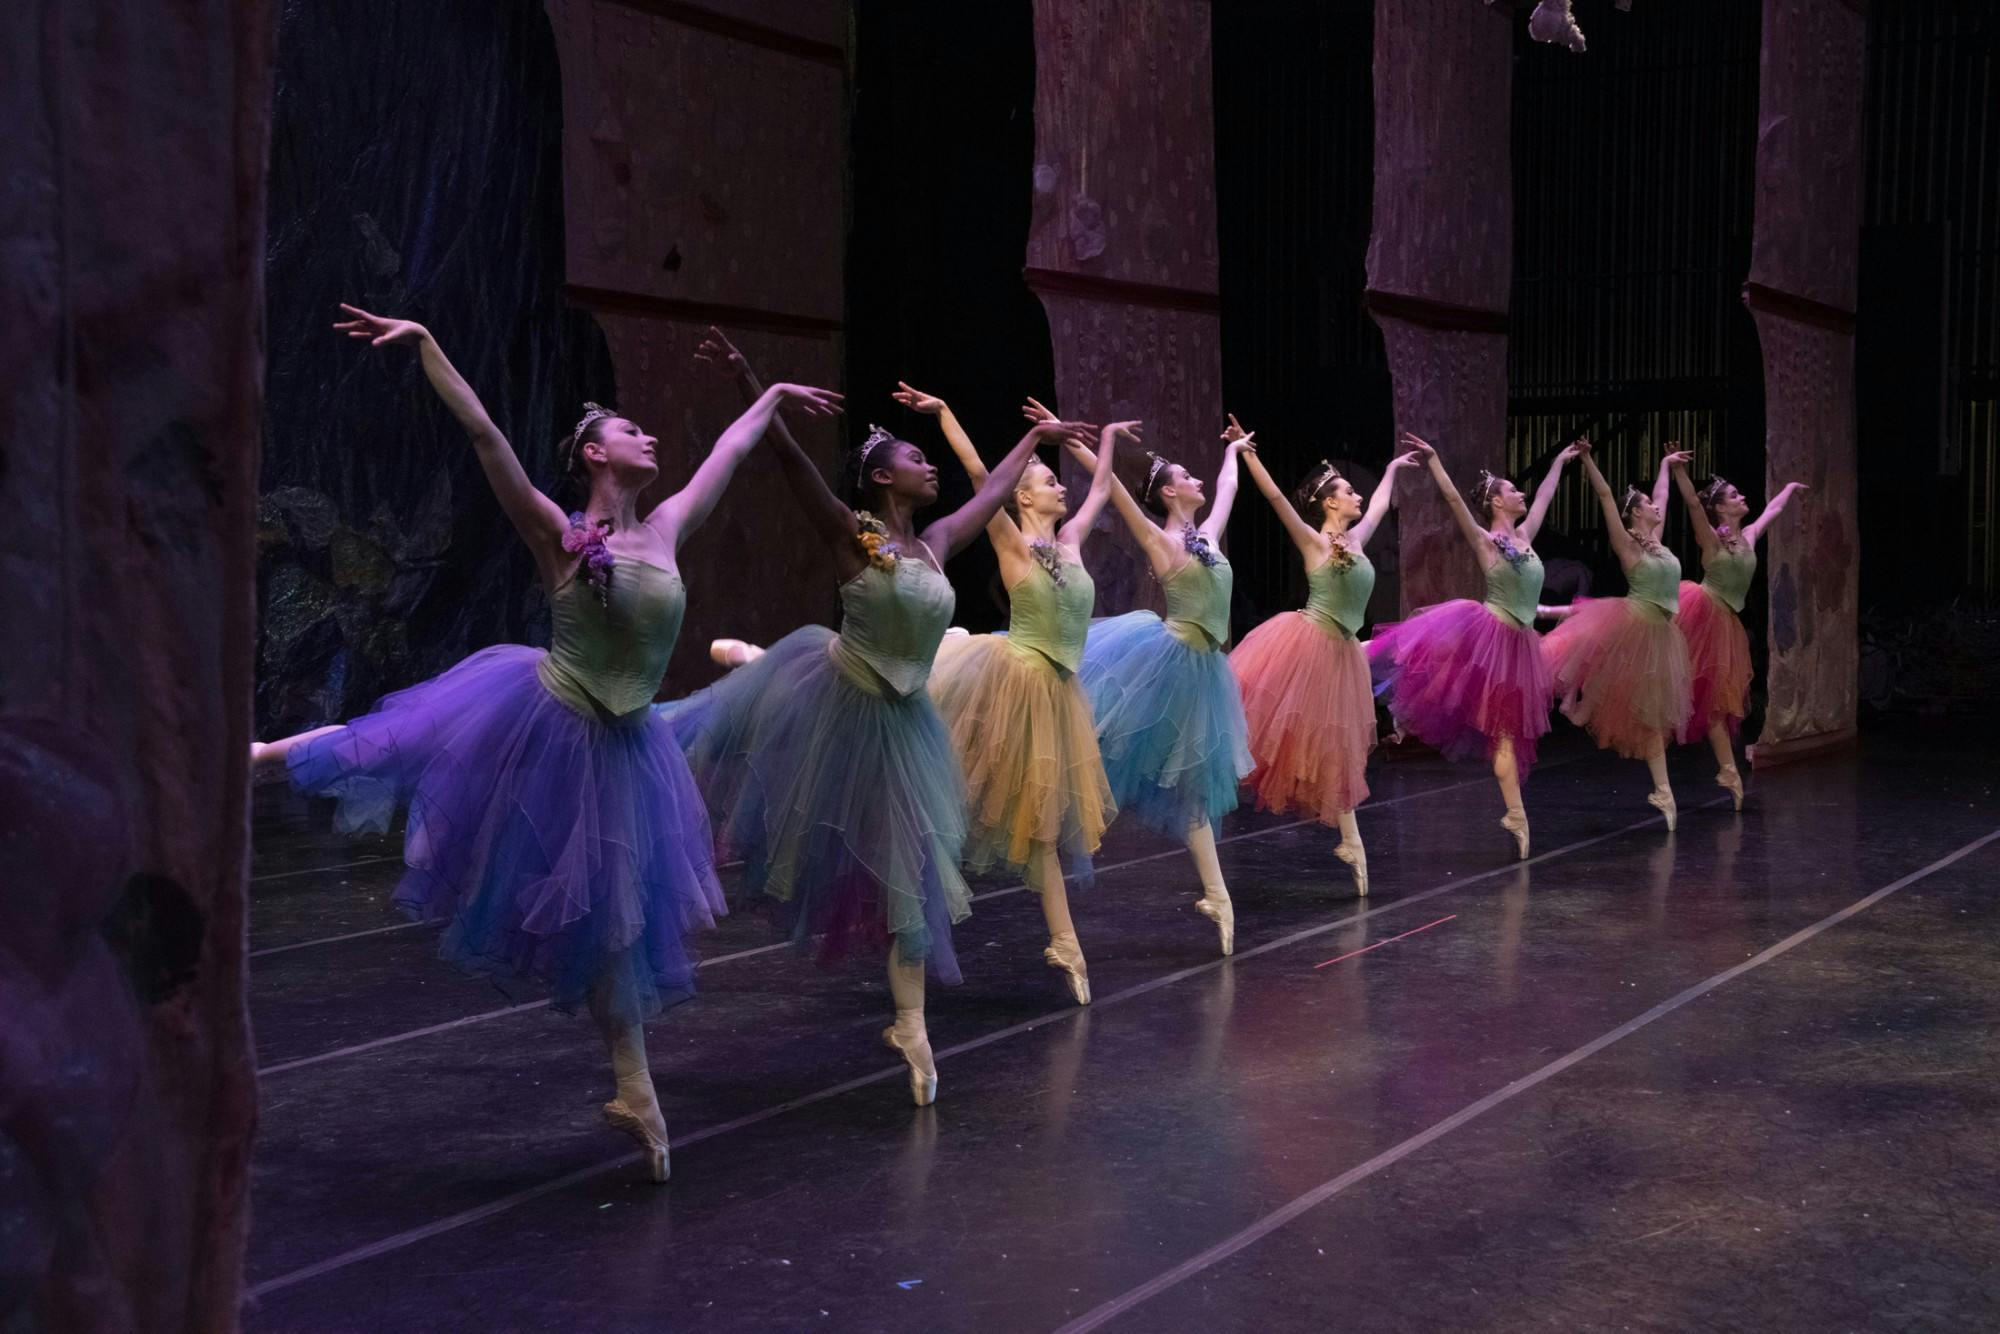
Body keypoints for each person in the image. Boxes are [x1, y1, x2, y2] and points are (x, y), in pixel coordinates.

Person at [252, 307, 840, 1180]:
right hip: (553, 717)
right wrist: (428, 342)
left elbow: (733, 451)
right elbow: (487, 435)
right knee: (398, 739)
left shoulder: (669, 527)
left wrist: (775, 391)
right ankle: (262, 757)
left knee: (617, 923)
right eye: (629, 430)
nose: (649, 437)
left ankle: (635, 1089)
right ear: (596, 455)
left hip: (627, 741)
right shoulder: (557, 534)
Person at [667, 330, 1084, 1105]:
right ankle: (751, 668)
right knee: (743, 744)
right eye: (915, 458)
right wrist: (754, 385)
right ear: (881, 478)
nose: (929, 466)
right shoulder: (853, 540)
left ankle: (911, 1024)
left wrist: (1034, 435)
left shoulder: (932, 546)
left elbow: (992, 492)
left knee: (913, 869)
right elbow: (792, 465)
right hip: (844, 699)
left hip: (904, 719)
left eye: (931, 459)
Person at [888, 381, 1127, 1004]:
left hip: (1057, 690)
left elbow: (1101, 487)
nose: (1060, 488)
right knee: (956, 796)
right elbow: (975, 471)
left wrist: (1101, 441)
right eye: (1048, 481)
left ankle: (1065, 942)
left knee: (1043, 827)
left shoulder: (1070, 542)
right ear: (1022, 493)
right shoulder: (1009, 539)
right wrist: (944, 413)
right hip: (1012, 681)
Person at [1071, 405, 1257, 955]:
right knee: (1113, 745)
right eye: (1186, 476)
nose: (1198, 479)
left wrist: (1233, 452)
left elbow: (1227, 487)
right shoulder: (1161, 541)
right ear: (1170, 493)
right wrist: (1080, 441)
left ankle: (1218, 895)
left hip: (1204, 667)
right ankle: (1064, 806)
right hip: (1169, 660)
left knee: (1194, 783)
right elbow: (1116, 494)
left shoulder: (1209, 536)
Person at [1368, 435, 1581, 859]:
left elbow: (1545, 495)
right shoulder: (1487, 541)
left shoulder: (1526, 536)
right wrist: (1434, 460)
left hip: (1522, 642)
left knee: (1514, 730)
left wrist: (1559, 461)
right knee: (1502, 730)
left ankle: (1515, 813)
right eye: (1512, 490)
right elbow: (1452, 499)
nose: (1521, 494)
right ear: (1498, 502)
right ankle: (1517, 815)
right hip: (1492, 638)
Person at [1229, 437, 1422, 895]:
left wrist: (1393, 467)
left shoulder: (1357, 539)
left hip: (1343, 650)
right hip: (1310, 642)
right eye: (1348, 491)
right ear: (1330, 502)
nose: (1358, 496)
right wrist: (1251, 456)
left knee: (1340, 748)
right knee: (1284, 736)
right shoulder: (1315, 542)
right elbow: (1277, 499)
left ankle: (1351, 842)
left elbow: (1378, 505)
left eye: (1358, 492)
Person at [1541, 446, 1694, 827]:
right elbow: (1608, 497)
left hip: (1662, 633)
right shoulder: (1627, 546)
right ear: (1636, 513)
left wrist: (1664, 466)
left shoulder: (1656, 539)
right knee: (1646, 712)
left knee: (1654, 716)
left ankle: (1662, 791)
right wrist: (1591, 461)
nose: (1657, 507)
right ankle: (1579, 709)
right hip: (1637, 626)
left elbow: (1663, 495)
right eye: (1649, 505)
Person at [1667, 459, 1808, 808]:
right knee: (1688, 693)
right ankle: (1705, 767)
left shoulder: (1749, 535)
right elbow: (1692, 505)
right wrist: (1680, 473)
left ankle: (1728, 770)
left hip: (1727, 622)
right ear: (1719, 507)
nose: (1742, 497)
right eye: (1734, 495)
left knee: (1719, 702)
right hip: (1702, 616)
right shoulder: (1712, 540)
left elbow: (1772, 510)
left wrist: (1788, 489)